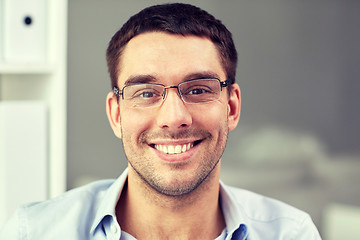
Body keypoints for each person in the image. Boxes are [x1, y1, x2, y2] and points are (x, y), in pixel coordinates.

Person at [0, 3, 322, 240]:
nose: (174, 118)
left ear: (232, 107)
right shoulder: (33, 233)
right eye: (146, 93)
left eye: (197, 89)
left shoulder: (292, 234)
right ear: (116, 114)